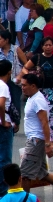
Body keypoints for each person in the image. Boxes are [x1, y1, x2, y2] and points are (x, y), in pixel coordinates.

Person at [19, 74, 53, 193]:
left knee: (25, 174)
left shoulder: (38, 100)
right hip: (34, 139)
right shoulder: (32, 98)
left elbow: (45, 122)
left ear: (33, 86)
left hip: (36, 140)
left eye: (24, 85)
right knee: (43, 174)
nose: (22, 87)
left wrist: (47, 144)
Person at [20, 37, 53, 142]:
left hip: (52, 89)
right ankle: (39, 135)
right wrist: (30, 78)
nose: (48, 47)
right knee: (38, 113)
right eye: (46, 45)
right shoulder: (37, 58)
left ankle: (50, 138)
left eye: (50, 45)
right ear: (42, 47)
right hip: (39, 90)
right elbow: (25, 68)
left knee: (49, 113)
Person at [0, 31, 24, 123]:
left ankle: (16, 122)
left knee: (15, 101)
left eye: (0, 39)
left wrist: (19, 76)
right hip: (1, 81)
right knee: (3, 101)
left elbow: (26, 65)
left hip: (14, 80)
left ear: (6, 40)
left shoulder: (16, 50)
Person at [0, 62, 12, 191]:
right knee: (4, 159)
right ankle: (2, 190)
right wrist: (3, 121)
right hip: (3, 127)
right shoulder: (3, 86)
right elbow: (1, 104)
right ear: (9, 72)